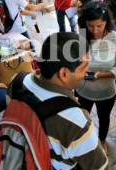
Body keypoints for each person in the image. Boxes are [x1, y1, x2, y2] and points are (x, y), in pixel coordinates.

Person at [7, 32, 108, 169]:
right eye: (84, 67)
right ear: (64, 74)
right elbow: (100, 167)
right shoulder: (78, 124)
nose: (87, 71)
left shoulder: (17, 81)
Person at [77, 2, 116, 154]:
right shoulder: (82, 36)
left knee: (104, 119)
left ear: (107, 22)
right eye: (91, 26)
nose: (95, 30)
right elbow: (75, 62)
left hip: (106, 91)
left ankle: (102, 140)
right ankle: (83, 141)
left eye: (100, 25)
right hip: (83, 90)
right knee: (82, 118)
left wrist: (101, 75)